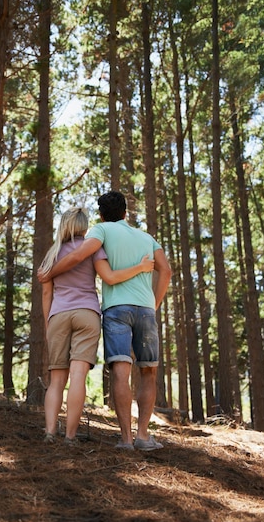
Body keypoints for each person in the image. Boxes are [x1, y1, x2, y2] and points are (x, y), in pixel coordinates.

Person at [38, 192, 172, 451]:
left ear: (101, 215)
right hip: (143, 309)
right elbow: (165, 270)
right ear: (125, 213)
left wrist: (49, 274)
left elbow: (79, 258)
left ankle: (126, 439)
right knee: (148, 372)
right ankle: (143, 435)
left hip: (115, 309)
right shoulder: (147, 238)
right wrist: (153, 304)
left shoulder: (99, 232)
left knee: (121, 372)